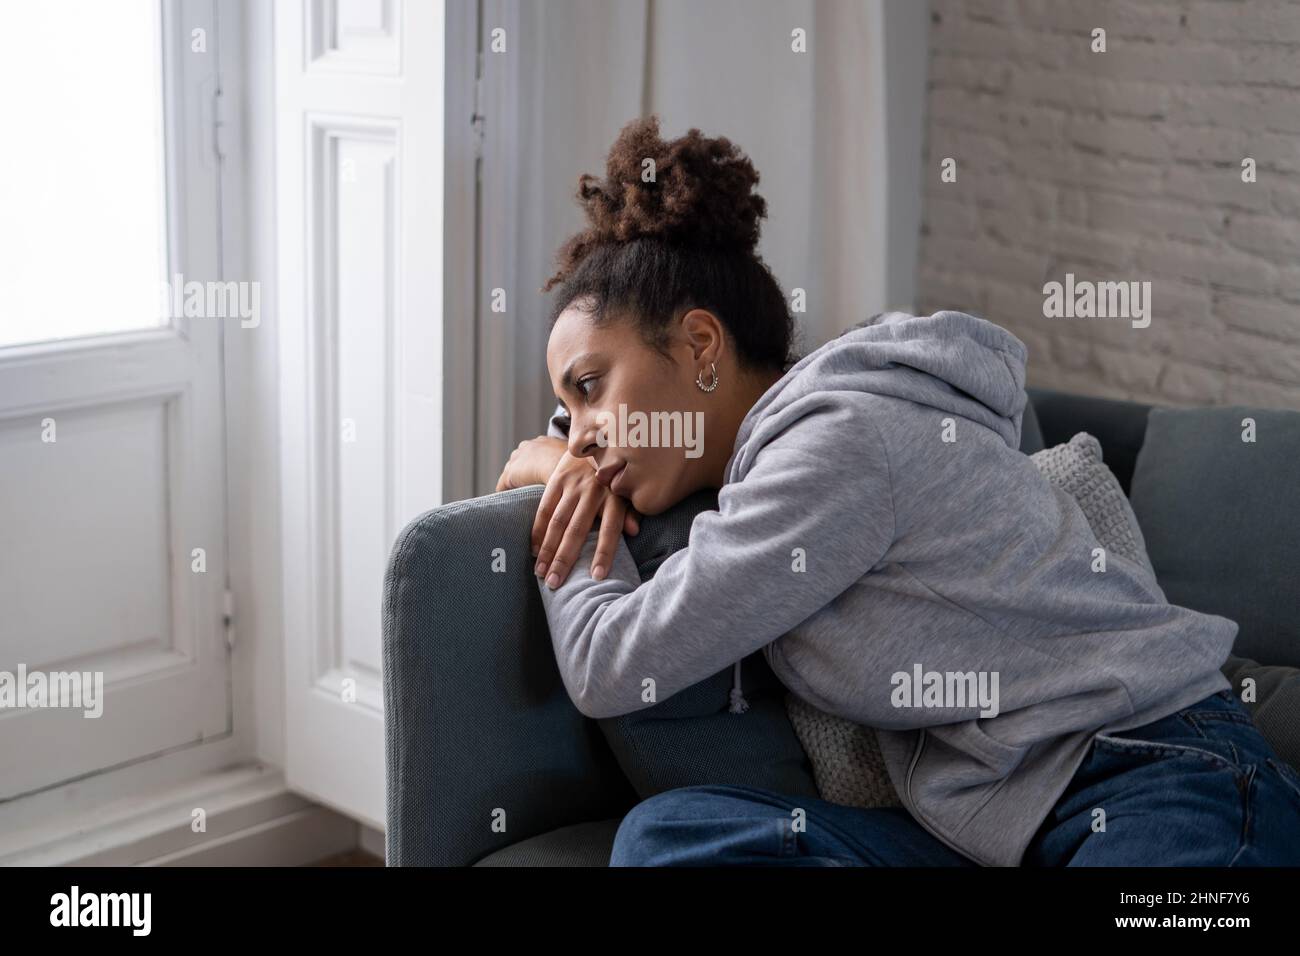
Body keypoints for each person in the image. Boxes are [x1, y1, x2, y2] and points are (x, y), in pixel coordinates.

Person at [495, 115, 1300, 866]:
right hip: (998, 829)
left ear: (702, 343)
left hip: (1161, 776)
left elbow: (610, 664)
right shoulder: (772, 476)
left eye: (591, 387)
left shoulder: (838, 443)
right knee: (673, 835)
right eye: (564, 417)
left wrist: (559, 494)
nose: (580, 434)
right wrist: (561, 462)